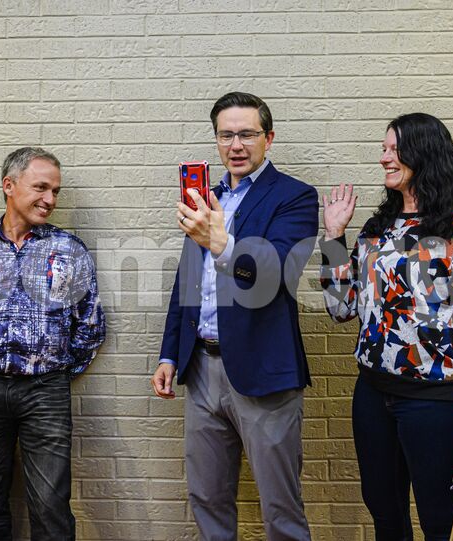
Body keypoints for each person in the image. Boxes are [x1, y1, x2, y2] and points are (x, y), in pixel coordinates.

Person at [319, 112, 453, 540]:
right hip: (372, 396)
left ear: (423, 153)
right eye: (383, 149)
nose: (384, 158)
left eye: (393, 148)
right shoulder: (378, 228)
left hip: (433, 405)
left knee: (443, 525)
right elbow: (342, 308)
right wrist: (333, 238)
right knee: (386, 519)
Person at [151, 92, 319, 541]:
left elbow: (279, 273)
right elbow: (188, 282)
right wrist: (170, 353)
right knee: (207, 499)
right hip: (201, 369)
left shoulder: (294, 197)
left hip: (264, 371)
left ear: (269, 138)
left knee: (280, 508)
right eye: (226, 135)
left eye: (247, 134)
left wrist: (221, 243)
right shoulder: (206, 196)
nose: (236, 145)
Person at [0, 147, 105, 541]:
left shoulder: (69, 249)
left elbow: (90, 322)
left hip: (46, 391)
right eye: (41, 188)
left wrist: (56, 368)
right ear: (9, 185)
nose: (50, 200)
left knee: (50, 507)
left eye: (56, 191)